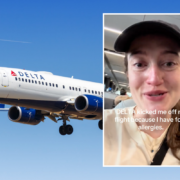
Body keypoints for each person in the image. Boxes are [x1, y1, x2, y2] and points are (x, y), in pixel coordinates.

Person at [104, 20, 180, 165]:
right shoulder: (103, 125)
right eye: (139, 64)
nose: (154, 79)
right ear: (127, 74)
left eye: (169, 63)